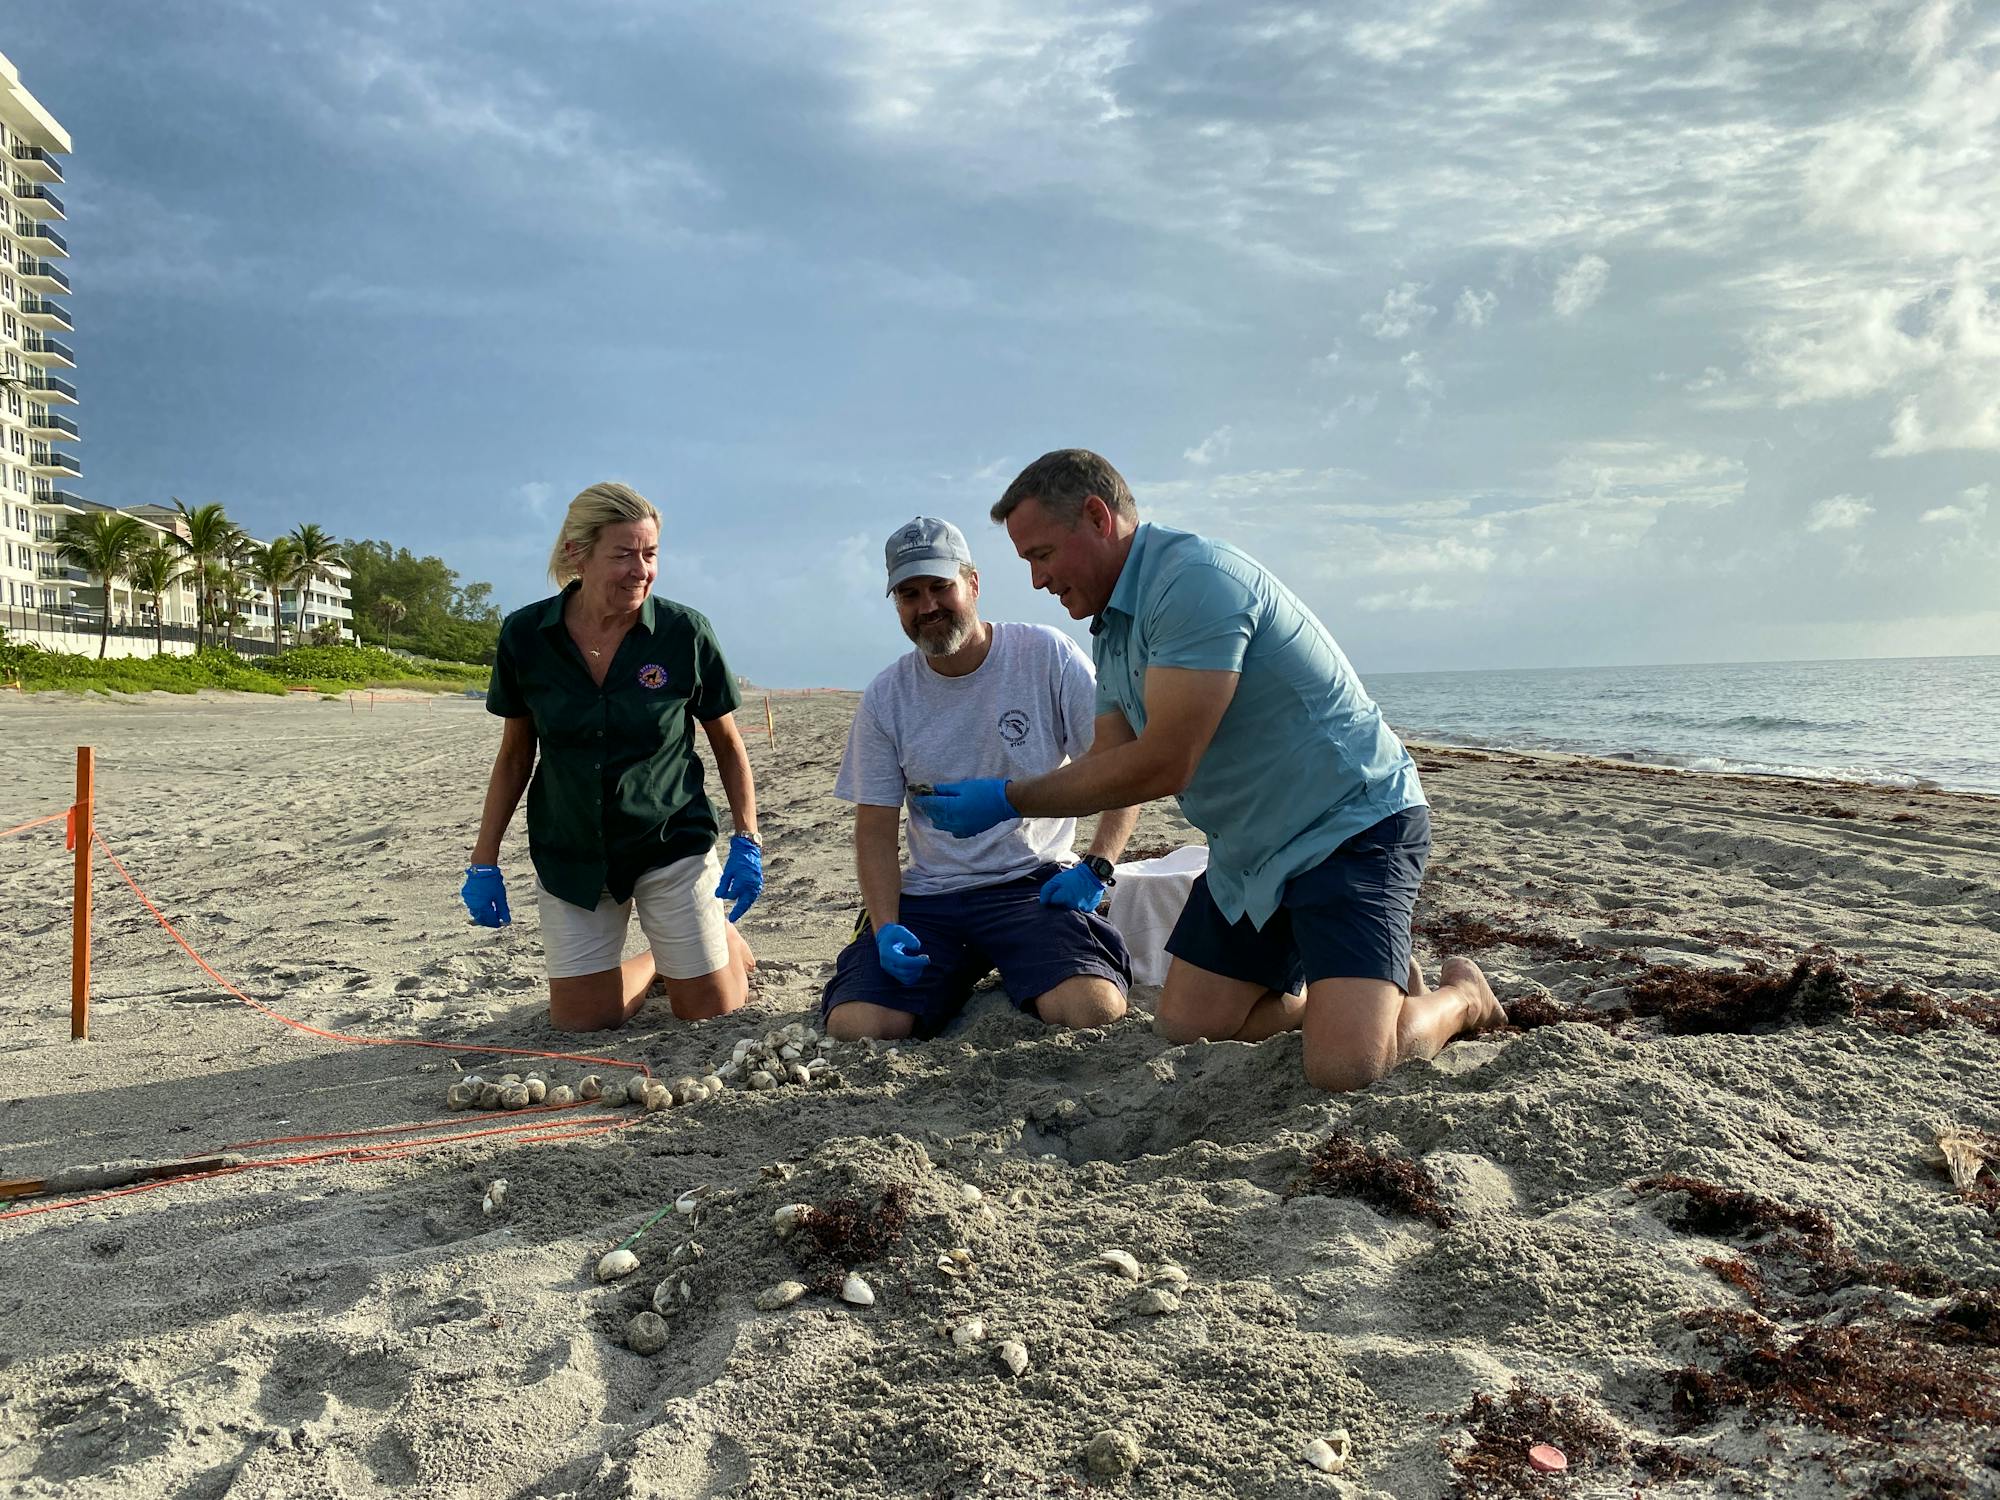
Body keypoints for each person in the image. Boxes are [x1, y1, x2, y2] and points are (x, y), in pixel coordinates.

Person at [913, 450, 1506, 1092]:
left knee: (1346, 1070)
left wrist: (1006, 798)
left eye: (1042, 554)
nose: (1036, 580)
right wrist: (1091, 861)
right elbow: (1111, 764)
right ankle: (1354, 993)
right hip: (1251, 852)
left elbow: (1165, 762)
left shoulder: (1194, 582)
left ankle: (1460, 998)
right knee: (1189, 1025)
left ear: (1096, 517)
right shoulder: (1111, 629)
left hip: (1349, 826)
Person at [821, 515, 1137, 1042]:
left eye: (940, 587)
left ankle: (1018, 968)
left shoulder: (1046, 655)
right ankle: (951, 974)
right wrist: (884, 926)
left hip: (1034, 885)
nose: (927, 607)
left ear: (973, 583)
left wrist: (1096, 867)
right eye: (909, 593)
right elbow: (874, 828)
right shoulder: (887, 696)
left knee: (1094, 1008)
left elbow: (1122, 767)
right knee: (857, 1026)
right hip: (932, 896)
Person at [463, 481, 761, 1031]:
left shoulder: (684, 633)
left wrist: (747, 837)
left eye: (650, 555)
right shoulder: (527, 636)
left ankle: (710, 945)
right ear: (577, 553)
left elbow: (727, 741)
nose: (640, 570)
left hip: (670, 841)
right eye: (623, 554)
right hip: (572, 851)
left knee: (709, 1011)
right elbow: (514, 756)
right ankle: (662, 961)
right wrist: (484, 860)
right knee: (582, 1022)